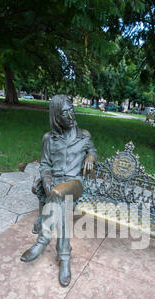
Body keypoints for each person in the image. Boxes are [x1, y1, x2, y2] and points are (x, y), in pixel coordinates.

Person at [20, 94, 98, 287]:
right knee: (60, 204)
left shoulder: (84, 136)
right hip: (55, 185)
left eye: (71, 110)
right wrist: (46, 182)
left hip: (74, 184)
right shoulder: (49, 139)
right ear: (57, 117)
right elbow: (44, 164)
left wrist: (91, 156)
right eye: (65, 113)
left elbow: (94, 151)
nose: (71, 116)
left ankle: (42, 241)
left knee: (57, 194)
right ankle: (64, 257)